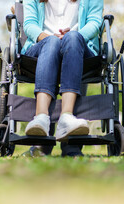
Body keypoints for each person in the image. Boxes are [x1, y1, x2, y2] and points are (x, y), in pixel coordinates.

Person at [21, 0, 103, 156]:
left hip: (78, 47)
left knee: (72, 38)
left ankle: (67, 116)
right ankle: (41, 118)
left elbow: (94, 22)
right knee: (51, 42)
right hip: (41, 48)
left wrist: (74, 36)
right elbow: (29, 24)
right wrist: (48, 37)